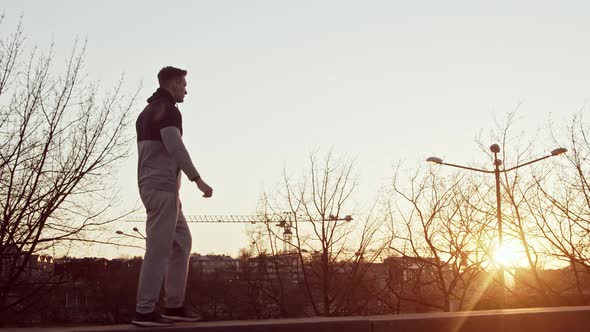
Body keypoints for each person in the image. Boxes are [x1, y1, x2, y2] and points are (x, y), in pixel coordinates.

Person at [132, 66, 213, 327]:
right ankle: (144, 311)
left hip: (161, 189)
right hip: (161, 189)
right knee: (158, 250)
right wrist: (197, 179)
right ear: (174, 84)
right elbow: (175, 145)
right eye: (184, 85)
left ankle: (174, 305)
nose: (186, 90)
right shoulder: (168, 111)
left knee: (182, 243)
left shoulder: (148, 111)